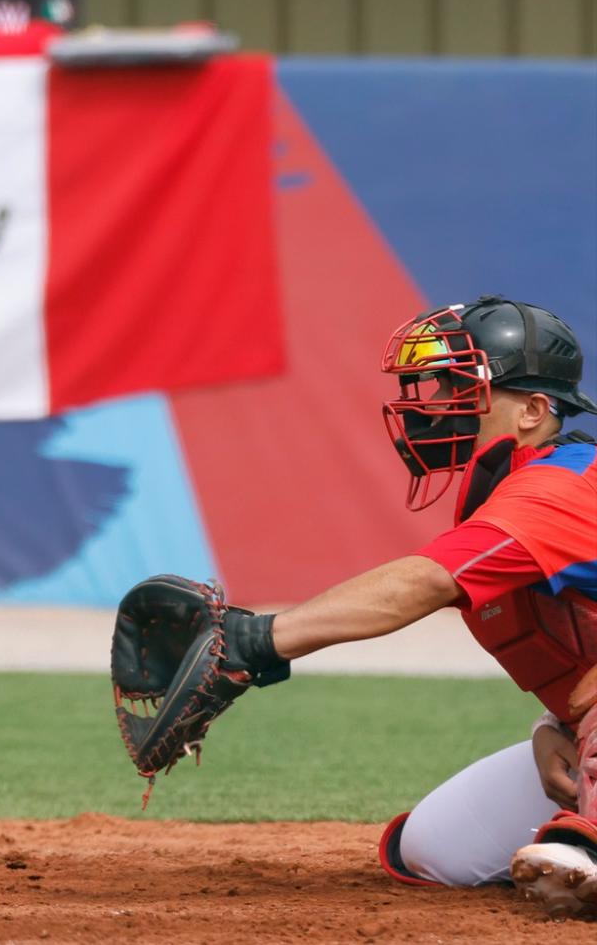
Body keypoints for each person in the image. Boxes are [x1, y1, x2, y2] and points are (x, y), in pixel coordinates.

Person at [123, 296, 597, 917]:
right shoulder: (507, 495)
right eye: (434, 386)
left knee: (570, 849)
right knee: (434, 849)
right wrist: (552, 728)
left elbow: (420, 584)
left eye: (460, 387)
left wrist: (257, 641)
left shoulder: (564, 485)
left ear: (535, 410)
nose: (433, 406)